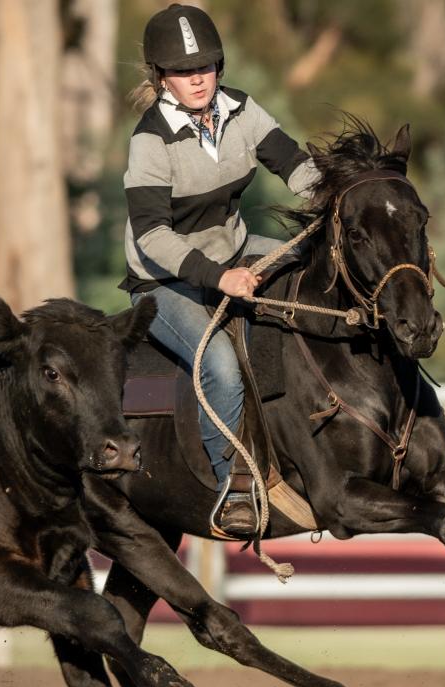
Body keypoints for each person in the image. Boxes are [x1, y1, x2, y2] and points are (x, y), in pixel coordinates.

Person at [121, 3, 320, 536]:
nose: (197, 79)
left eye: (205, 67)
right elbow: (151, 236)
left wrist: (339, 195)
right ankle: (232, 486)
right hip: (163, 279)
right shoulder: (149, 140)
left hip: (234, 250)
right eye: (183, 71)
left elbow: (294, 165)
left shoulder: (241, 110)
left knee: (315, 274)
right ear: (161, 77)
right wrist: (219, 277)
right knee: (222, 366)